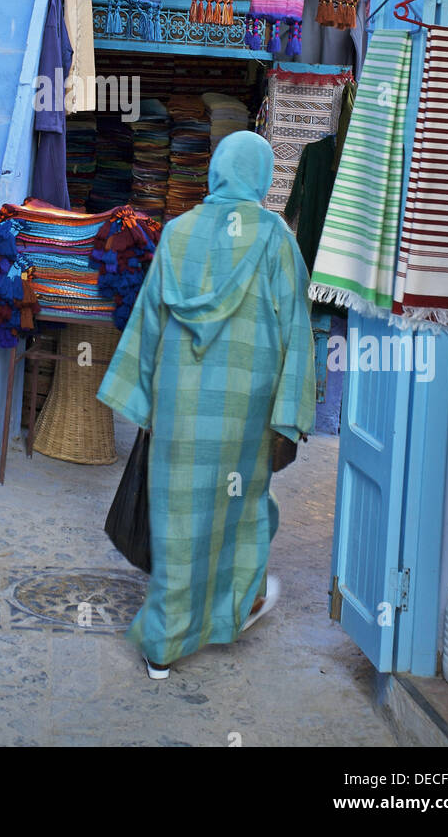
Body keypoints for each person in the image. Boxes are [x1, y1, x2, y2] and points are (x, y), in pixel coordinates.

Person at [97, 130, 315, 678]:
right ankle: (226, 616)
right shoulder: (275, 240)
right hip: (245, 408)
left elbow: (150, 319)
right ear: (260, 177)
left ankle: (162, 643)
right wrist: (290, 416)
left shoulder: (177, 233)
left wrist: (142, 400)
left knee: (178, 516)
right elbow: (296, 329)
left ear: (216, 169)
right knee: (240, 513)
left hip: (180, 405)